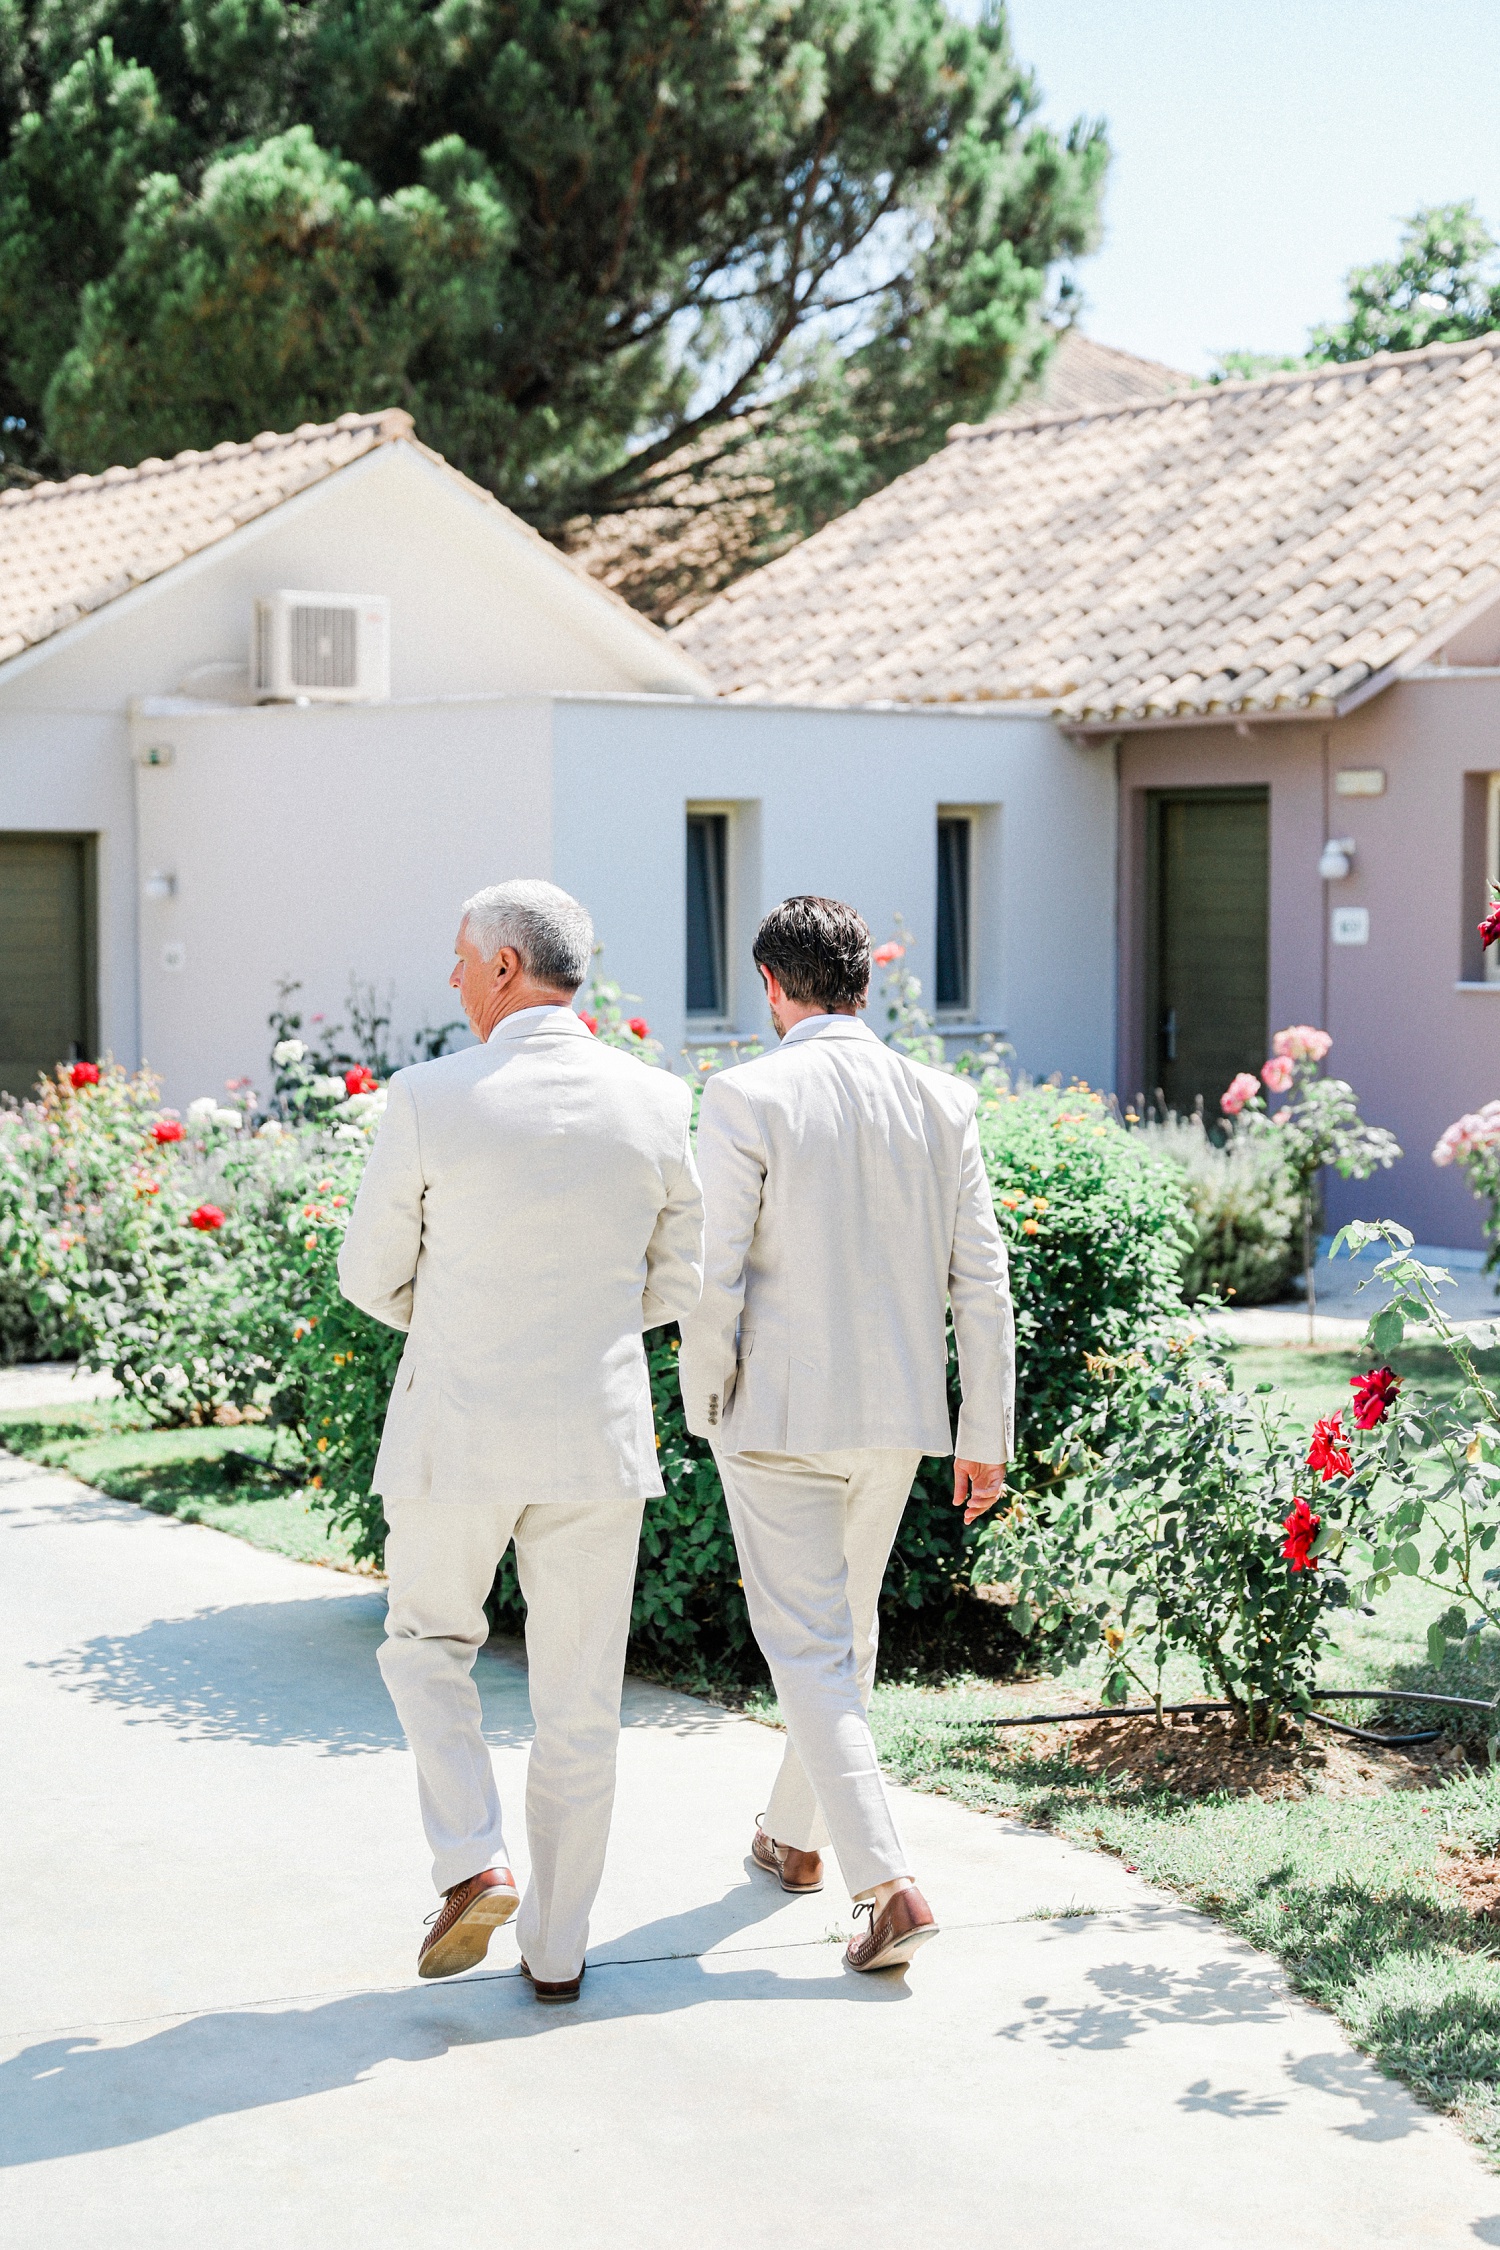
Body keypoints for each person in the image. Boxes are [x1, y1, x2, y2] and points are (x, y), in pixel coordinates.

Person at [339, 879, 703, 2001]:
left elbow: (367, 1275)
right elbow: (683, 1275)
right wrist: (580, 1323)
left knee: (426, 1645)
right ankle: (556, 1948)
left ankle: (469, 1859)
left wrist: (458, 1317)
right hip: (596, 1432)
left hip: (459, 1421)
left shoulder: (428, 1097)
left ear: (503, 965)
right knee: (582, 1699)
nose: (451, 978)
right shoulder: (655, 1100)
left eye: (459, 958)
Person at [678, 895, 1013, 1975]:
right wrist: (985, 1430)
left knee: (811, 1642)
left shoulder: (742, 1093)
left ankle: (887, 1883)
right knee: (843, 1631)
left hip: (776, 1414)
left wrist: (702, 1397)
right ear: (863, 982)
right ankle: (792, 1838)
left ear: (772, 987)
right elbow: (983, 1278)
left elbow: (713, 1271)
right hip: (902, 1416)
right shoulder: (942, 1097)